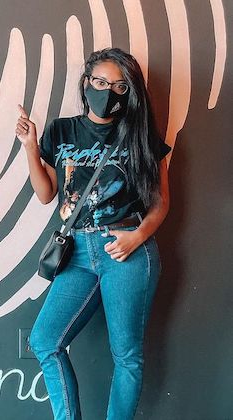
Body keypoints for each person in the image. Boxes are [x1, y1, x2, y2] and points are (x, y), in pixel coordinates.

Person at [15, 47, 170, 420]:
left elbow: (161, 202)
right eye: (100, 82)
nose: (107, 91)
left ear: (128, 91)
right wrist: (31, 148)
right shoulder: (62, 130)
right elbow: (46, 194)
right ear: (86, 83)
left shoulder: (140, 135)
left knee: (127, 355)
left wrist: (137, 237)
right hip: (77, 251)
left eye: (118, 86)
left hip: (126, 248)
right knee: (45, 341)